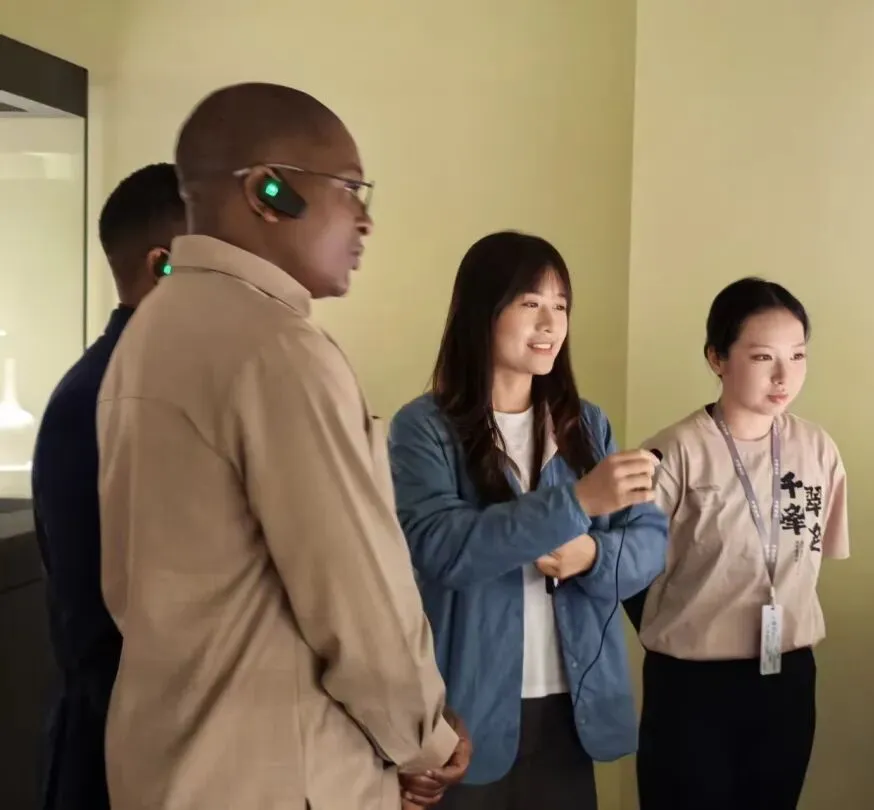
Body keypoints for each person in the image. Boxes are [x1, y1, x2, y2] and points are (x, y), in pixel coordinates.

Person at [95, 83, 468, 810]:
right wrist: (427, 740)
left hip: (171, 762)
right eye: (350, 189)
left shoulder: (149, 334)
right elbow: (356, 600)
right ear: (268, 192)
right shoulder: (277, 349)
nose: (365, 219)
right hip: (279, 772)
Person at [388, 230, 668, 810]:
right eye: (530, 303)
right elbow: (442, 548)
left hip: (573, 708)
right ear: (481, 312)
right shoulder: (423, 428)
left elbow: (649, 543)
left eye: (561, 307)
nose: (550, 324)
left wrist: (592, 556)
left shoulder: (587, 425)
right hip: (468, 712)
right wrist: (576, 504)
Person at [628, 277, 850, 809]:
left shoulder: (817, 448)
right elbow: (627, 575)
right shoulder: (673, 452)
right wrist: (683, 626)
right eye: (763, 357)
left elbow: (812, 559)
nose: (784, 376)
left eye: (798, 356)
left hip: (787, 675)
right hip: (693, 685)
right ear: (717, 358)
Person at [31, 163, 186, 810]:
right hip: (125, 765)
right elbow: (103, 630)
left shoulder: (179, 388)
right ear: (163, 266)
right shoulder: (97, 402)